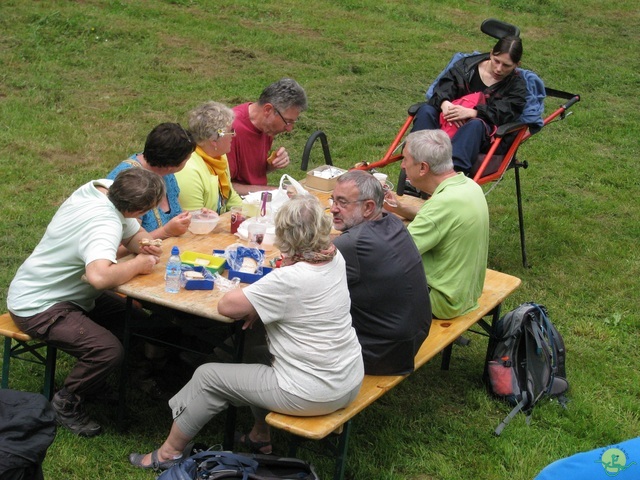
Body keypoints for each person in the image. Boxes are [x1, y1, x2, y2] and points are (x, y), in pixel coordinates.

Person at [129, 195, 364, 470]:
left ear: (286, 235)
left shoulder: (289, 279)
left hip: (313, 391)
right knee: (253, 350)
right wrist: (261, 303)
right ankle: (259, 436)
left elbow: (227, 305)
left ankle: (168, 454)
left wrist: (256, 299)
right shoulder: (334, 258)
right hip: (348, 377)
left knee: (208, 376)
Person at [7, 168, 167, 437]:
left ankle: (106, 381)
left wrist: (144, 244)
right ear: (135, 208)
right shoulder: (103, 224)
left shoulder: (103, 189)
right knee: (107, 350)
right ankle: (65, 402)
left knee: (138, 323)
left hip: (71, 293)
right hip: (39, 305)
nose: (146, 215)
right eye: (147, 210)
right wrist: (139, 264)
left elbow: (131, 234)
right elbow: (99, 276)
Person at [330, 170, 431, 375]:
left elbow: (304, 282)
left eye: (342, 202)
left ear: (368, 207)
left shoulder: (352, 244)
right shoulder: (391, 221)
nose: (333, 209)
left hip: (381, 353)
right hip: (412, 337)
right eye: (333, 200)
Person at [384, 130, 489, 320]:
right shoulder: (468, 186)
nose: (402, 165)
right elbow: (438, 220)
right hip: (466, 293)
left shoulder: (442, 204)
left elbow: (395, 253)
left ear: (423, 168)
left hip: (443, 301)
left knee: (363, 283)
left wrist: (365, 225)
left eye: (406, 159)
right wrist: (398, 207)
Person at [412, 35, 527, 174]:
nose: (498, 69)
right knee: (426, 110)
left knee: (475, 125)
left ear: (517, 65)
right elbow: (441, 88)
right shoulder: (466, 66)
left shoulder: (517, 86)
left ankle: (452, 175)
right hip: (447, 122)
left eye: (506, 66)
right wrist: (444, 103)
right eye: (496, 61)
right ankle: (414, 167)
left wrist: (474, 113)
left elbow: (507, 112)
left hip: (482, 135)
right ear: (491, 53)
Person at [107, 122, 196, 240]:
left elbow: (176, 214)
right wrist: (166, 232)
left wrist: (196, 216)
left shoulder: (165, 172)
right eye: (187, 159)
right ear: (171, 164)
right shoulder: (130, 184)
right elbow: (121, 247)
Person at [228, 78, 308, 195]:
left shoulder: (267, 127)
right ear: (268, 110)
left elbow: (250, 173)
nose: (289, 129)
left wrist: (271, 165)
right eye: (287, 121)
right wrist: (272, 191)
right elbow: (223, 187)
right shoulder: (230, 131)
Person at [175, 101, 243, 213]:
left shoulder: (219, 156)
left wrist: (250, 213)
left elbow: (230, 197)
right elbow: (193, 220)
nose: (234, 135)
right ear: (214, 141)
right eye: (230, 131)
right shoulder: (188, 171)